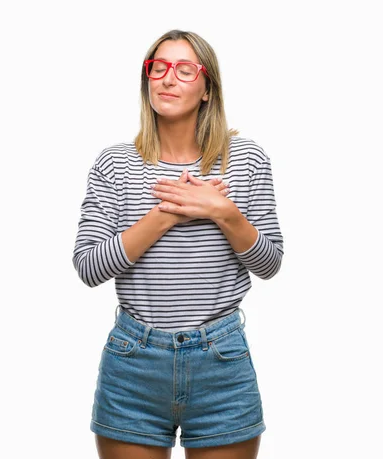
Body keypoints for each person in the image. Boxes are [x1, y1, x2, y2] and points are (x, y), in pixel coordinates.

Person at [72, 29, 284, 459]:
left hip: (221, 360)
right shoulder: (115, 164)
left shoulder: (245, 159)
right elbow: (89, 267)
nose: (168, 79)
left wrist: (222, 211)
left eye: (185, 69)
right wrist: (167, 212)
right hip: (133, 361)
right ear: (147, 79)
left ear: (207, 88)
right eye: (159, 68)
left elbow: (269, 262)